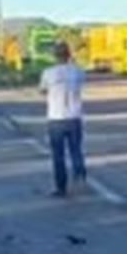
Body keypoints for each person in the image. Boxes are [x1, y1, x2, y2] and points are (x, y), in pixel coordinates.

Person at [39, 40, 88, 197]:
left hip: (56, 117)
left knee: (58, 155)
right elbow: (82, 83)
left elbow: (42, 90)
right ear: (69, 55)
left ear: (55, 56)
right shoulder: (77, 71)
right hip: (74, 116)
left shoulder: (48, 73)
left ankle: (61, 187)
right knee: (76, 150)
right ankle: (79, 174)